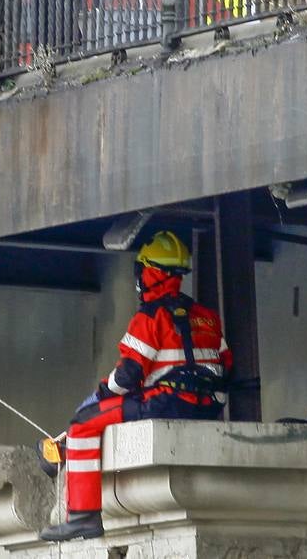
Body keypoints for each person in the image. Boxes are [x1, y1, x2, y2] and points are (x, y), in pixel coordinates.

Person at [36, 231, 232, 542]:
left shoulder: (149, 317)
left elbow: (127, 376)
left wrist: (100, 395)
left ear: (152, 271)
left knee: (83, 424)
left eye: (141, 271)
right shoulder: (207, 317)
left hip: (168, 402)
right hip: (208, 404)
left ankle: (83, 516)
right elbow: (226, 363)